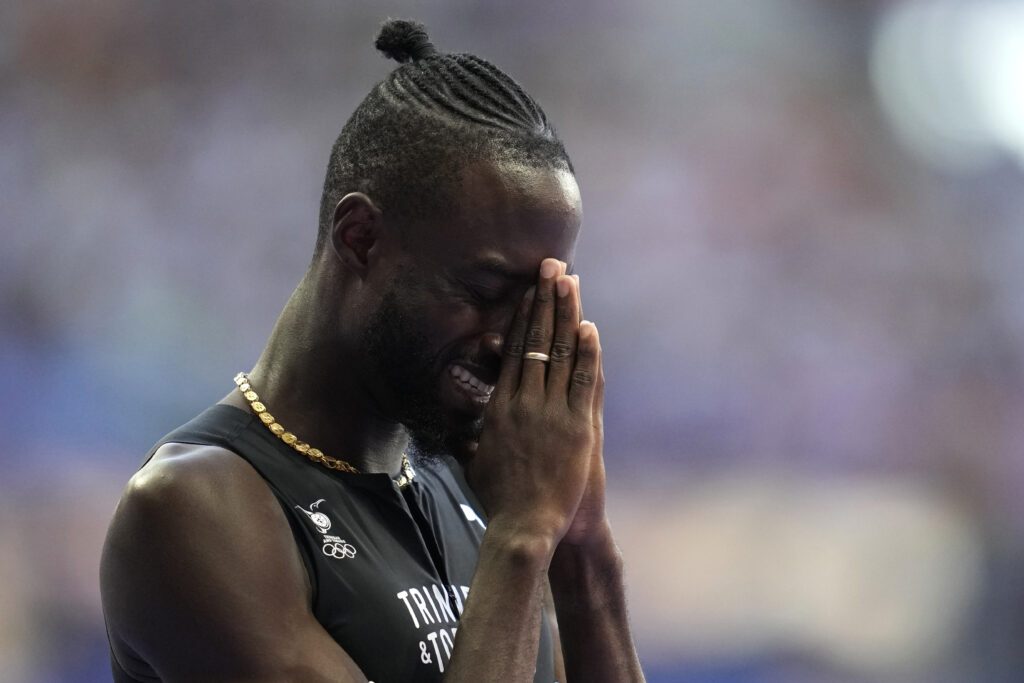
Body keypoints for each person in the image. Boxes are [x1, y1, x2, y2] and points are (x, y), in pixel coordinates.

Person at [100, 19, 645, 683]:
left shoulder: (475, 487)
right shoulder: (195, 509)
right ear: (360, 238)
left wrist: (583, 543)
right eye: (484, 289)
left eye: (534, 306)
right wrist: (525, 534)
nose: (508, 342)